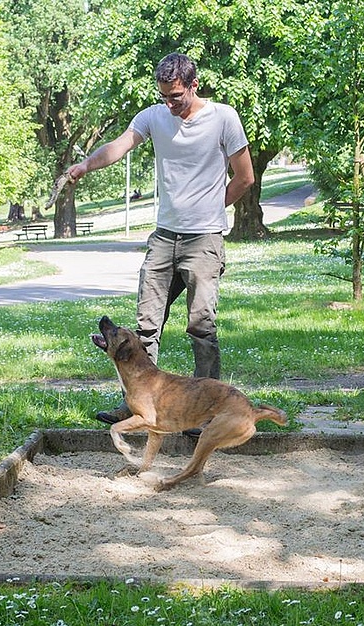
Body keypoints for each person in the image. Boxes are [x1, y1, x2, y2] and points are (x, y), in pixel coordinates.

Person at [66, 52, 255, 425]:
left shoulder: (223, 118)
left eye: (177, 97)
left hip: (204, 239)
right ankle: (135, 403)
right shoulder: (154, 116)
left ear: (194, 85)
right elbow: (119, 145)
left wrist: (214, 210)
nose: (169, 104)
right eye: (164, 96)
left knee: (201, 326)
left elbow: (245, 177)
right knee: (145, 326)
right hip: (164, 238)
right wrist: (86, 165)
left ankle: (208, 412)